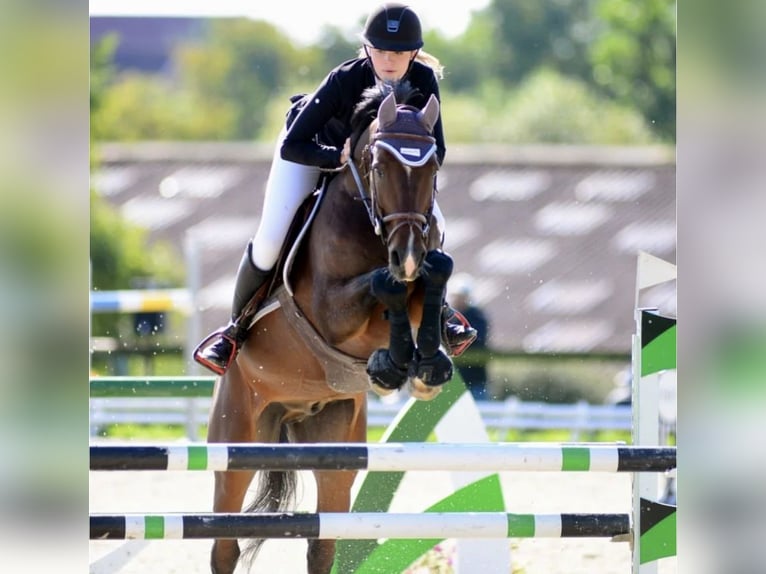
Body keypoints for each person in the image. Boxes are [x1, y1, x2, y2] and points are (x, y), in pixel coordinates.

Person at [194, 3, 476, 375]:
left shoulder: (424, 80)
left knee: (433, 228)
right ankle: (235, 329)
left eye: (399, 53)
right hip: (314, 152)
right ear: (367, 49)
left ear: (413, 53)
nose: (389, 60)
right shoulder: (345, 79)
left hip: (383, 172)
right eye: (381, 51)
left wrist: (410, 170)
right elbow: (292, 144)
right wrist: (335, 158)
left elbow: (437, 147)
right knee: (269, 239)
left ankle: (441, 315)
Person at [448, 273, 491, 400]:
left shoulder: (477, 316)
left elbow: (477, 338)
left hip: (474, 378)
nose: (459, 299)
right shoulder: (448, 316)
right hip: (452, 378)